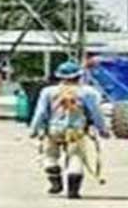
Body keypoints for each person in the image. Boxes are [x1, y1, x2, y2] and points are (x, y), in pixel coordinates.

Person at [28, 61, 109, 199]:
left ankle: (55, 180)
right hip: (76, 132)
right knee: (76, 157)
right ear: (79, 76)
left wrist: (34, 129)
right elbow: (95, 112)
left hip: (53, 130)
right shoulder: (88, 92)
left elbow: (41, 112)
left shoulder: (48, 92)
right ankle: (73, 191)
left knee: (50, 156)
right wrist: (102, 129)